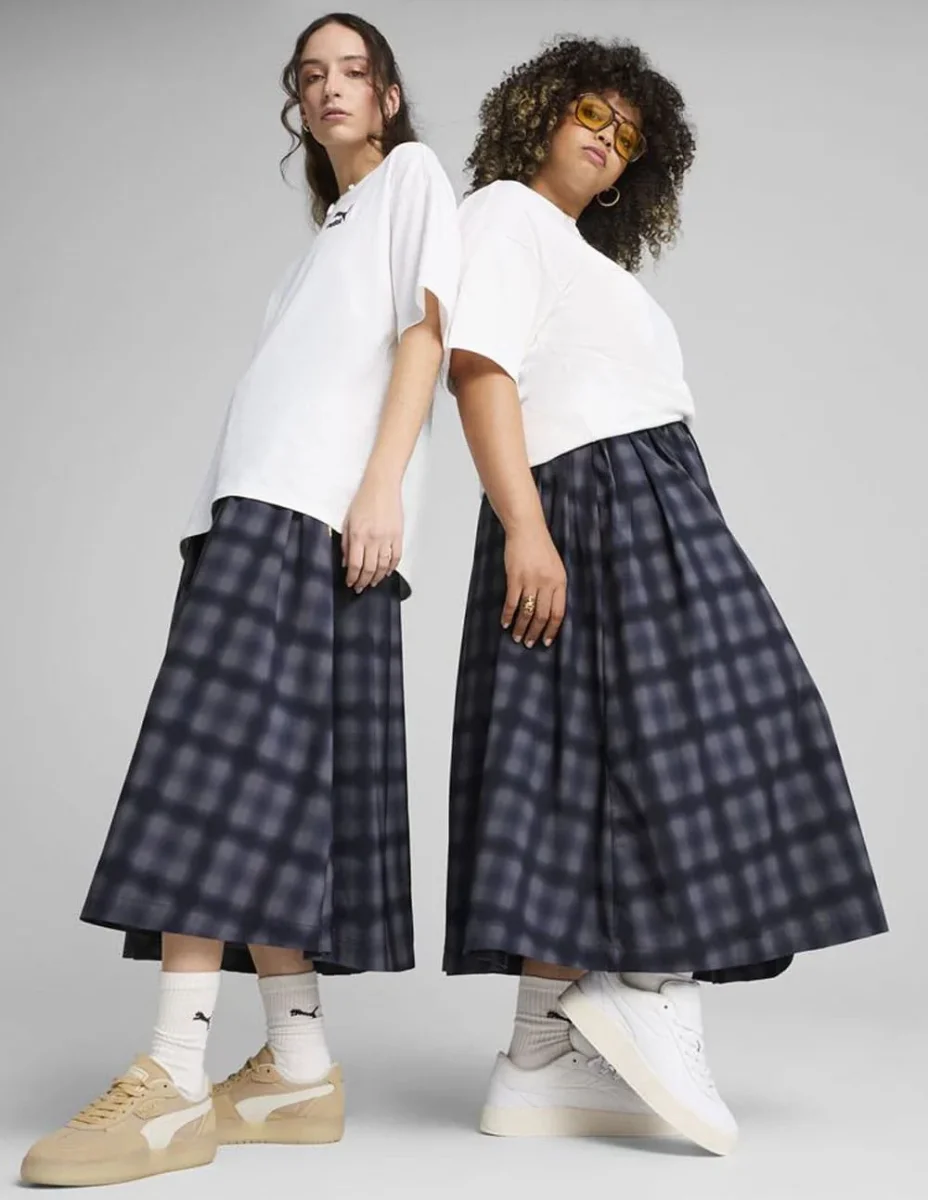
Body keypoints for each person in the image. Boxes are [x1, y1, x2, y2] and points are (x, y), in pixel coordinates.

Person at [21, 12, 458, 1188]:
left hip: (306, 512)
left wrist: (382, 487)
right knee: (270, 793)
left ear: (390, 94)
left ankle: (172, 1076)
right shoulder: (324, 238)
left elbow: (426, 334)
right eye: (311, 75)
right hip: (258, 513)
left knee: (206, 774)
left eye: (353, 71)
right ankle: (298, 1066)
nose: (330, 89)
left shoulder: (412, 180)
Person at [442, 35, 887, 1156]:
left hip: (650, 484)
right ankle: (652, 984)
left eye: (629, 136)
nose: (607, 140)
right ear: (541, 113)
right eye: (592, 114)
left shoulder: (589, 260)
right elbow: (479, 367)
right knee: (692, 730)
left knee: (571, 759)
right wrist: (525, 527)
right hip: (586, 494)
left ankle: (535, 1059)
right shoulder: (503, 213)